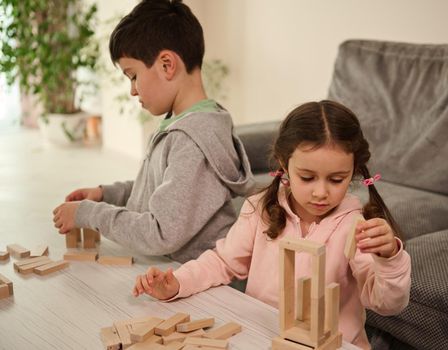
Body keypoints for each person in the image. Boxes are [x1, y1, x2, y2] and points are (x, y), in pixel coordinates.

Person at [132, 100, 411, 349]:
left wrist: (389, 258)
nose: (321, 193)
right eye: (307, 177)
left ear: (353, 172)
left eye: (336, 180)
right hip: (264, 338)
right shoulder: (259, 209)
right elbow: (223, 262)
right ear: (284, 164)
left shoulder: (356, 226)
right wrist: (178, 283)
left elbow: (387, 304)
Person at [52, 0, 254, 263]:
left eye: (133, 76)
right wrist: (106, 194)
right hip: (176, 273)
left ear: (167, 65)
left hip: (200, 285)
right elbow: (161, 190)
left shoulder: (192, 141)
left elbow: (159, 233)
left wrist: (89, 213)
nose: (132, 90)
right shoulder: (184, 124)